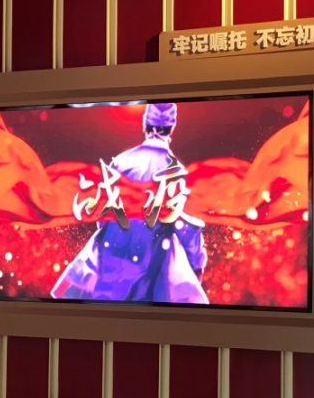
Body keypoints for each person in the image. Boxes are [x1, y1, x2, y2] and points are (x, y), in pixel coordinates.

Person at [51, 102, 208, 304]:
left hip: (111, 257)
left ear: (145, 125)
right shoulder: (176, 171)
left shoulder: (121, 161)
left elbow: (104, 214)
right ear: (172, 128)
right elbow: (186, 226)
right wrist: (196, 264)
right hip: (153, 262)